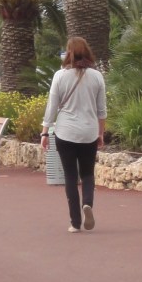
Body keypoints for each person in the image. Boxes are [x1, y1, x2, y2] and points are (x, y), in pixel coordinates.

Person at [40, 36, 107, 233]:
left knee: (70, 176)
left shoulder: (60, 76)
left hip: (65, 132)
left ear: (69, 53)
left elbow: (52, 107)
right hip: (89, 132)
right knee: (87, 173)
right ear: (87, 51)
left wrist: (45, 132)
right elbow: (101, 110)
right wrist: (100, 133)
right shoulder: (97, 76)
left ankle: (75, 222)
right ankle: (87, 203)